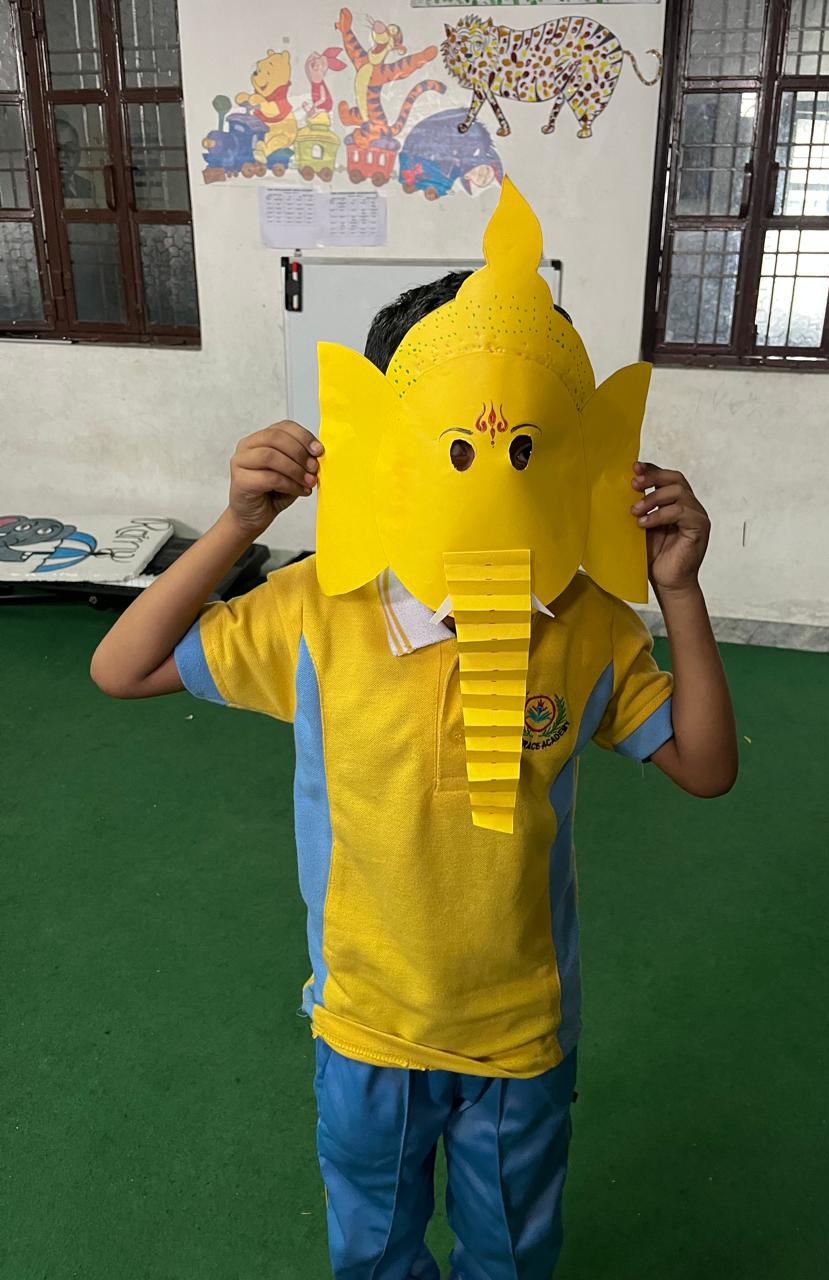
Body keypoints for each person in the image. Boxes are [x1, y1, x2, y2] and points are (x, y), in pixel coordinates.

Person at [91, 268, 737, 1279]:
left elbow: (705, 765)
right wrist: (238, 524)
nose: (492, 474)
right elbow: (121, 667)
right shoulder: (318, 607)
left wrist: (680, 592)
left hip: (520, 1033)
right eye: (458, 443)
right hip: (367, 1025)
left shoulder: (587, 626)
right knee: (374, 1248)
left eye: (525, 444)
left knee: (511, 1253)